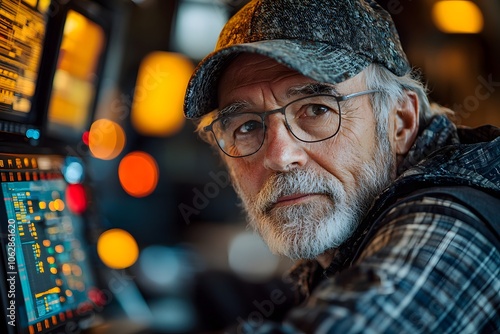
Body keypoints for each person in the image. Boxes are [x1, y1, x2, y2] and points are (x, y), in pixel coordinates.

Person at [183, 0, 500, 332]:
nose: (279, 156)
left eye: (317, 110)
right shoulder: (349, 243)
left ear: (401, 123)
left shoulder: (454, 223)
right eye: (246, 127)